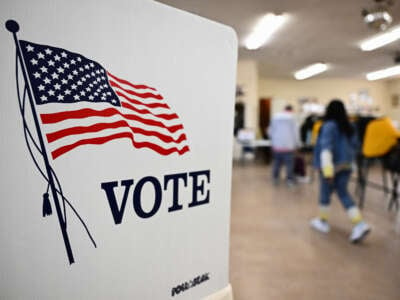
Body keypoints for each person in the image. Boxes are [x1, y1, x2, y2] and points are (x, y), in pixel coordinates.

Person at [311, 99, 371, 243]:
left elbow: (326, 148)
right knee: (343, 193)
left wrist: (327, 171)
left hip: (331, 166)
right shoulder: (349, 126)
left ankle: (323, 221)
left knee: (325, 193)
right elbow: (355, 146)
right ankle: (359, 224)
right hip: (346, 165)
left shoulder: (328, 126)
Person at [269, 104, 299, 186]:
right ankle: (289, 180)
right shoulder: (293, 117)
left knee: (276, 163)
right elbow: (296, 132)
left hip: (277, 145)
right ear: (291, 110)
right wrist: (297, 144)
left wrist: (272, 142)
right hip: (289, 146)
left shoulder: (275, 116)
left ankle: (275, 178)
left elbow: (271, 131)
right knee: (289, 164)